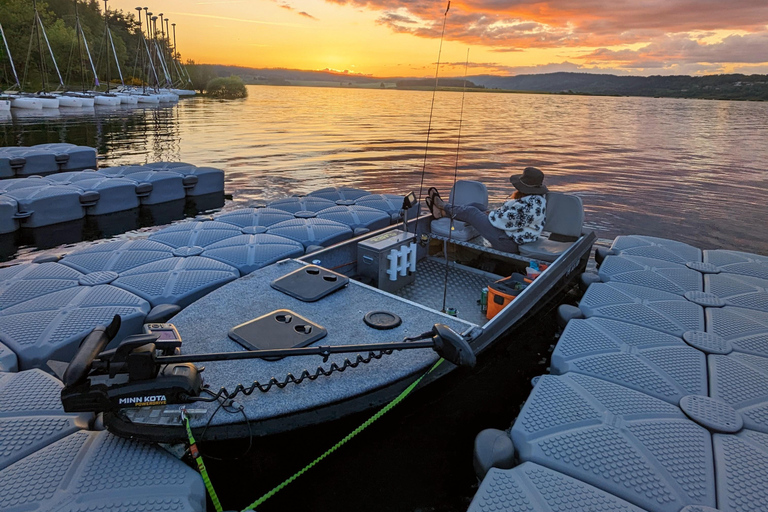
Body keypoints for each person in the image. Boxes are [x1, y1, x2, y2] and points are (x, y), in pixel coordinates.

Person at [425, 166, 548, 253]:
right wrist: (492, 213)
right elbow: (513, 216)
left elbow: (509, 221)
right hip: (508, 234)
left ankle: (443, 206)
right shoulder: (533, 200)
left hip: (508, 242)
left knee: (471, 212)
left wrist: (492, 214)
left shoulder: (532, 205)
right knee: (476, 206)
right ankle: (442, 213)